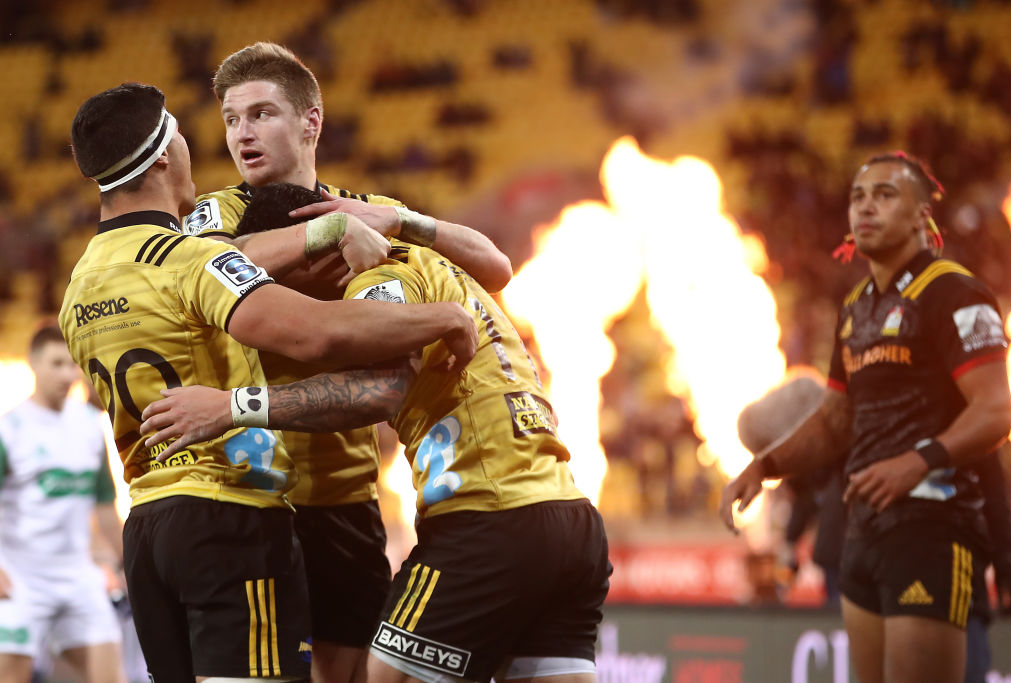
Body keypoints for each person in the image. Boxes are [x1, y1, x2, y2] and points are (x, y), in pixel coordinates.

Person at [60, 82, 478, 683]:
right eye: (187, 132)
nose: (219, 138)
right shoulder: (191, 256)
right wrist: (438, 315)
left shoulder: (78, 285)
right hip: (231, 517)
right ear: (161, 158)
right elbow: (316, 335)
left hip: (150, 524)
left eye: (258, 114)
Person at [139, 181, 612, 683]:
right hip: (571, 519)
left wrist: (232, 407)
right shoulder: (434, 258)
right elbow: (498, 267)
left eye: (281, 280)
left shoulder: (380, 275)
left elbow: (383, 389)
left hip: (488, 516)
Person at [183, 41, 513, 683]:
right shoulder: (215, 215)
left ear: (311, 122)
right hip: (250, 498)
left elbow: (495, 268)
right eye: (231, 119)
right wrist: (323, 235)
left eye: (261, 114)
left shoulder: (358, 210)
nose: (241, 134)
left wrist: (399, 218)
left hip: (344, 499)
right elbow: (200, 269)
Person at [719, 151, 1011, 683]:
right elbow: (836, 418)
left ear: (923, 214)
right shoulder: (856, 306)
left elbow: (995, 413)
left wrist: (916, 463)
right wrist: (765, 465)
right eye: (858, 197)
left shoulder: (956, 292)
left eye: (885, 194)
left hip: (932, 530)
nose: (866, 208)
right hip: (864, 534)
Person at [0, 325, 126, 683]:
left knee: (110, 677)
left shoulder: (90, 425)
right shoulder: (9, 429)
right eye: (56, 364)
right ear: (33, 364)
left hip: (77, 577)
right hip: (21, 579)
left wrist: (124, 565)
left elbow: (104, 506)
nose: (67, 374)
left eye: (72, 365)